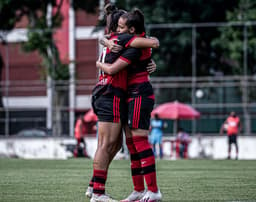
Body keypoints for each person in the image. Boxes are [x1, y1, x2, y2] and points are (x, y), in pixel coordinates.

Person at [86, 4, 159, 202]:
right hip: (111, 93)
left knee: (115, 144)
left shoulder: (110, 39)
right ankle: (98, 192)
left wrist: (145, 64)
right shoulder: (126, 39)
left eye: (121, 25)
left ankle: (95, 185)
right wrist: (101, 64)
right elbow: (153, 42)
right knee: (109, 144)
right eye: (118, 25)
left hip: (106, 92)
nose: (119, 28)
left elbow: (105, 39)